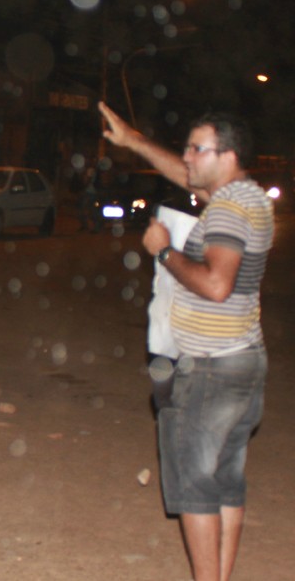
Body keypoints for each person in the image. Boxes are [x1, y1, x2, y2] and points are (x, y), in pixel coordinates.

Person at [99, 101, 273, 581]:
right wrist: (134, 140)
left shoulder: (227, 212)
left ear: (229, 155)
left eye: (199, 149)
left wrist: (165, 252)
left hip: (211, 368)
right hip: (244, 359)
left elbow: (216, 285)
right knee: (226, 482)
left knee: (196, 487)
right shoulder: (250, 197)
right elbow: (185, 175)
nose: (189, 157)